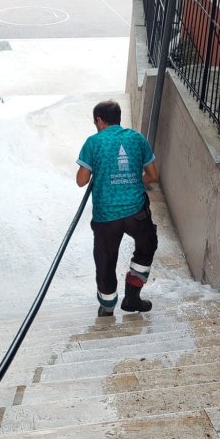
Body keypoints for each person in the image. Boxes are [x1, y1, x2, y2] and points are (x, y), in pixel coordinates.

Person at [76, 100, 159, 317]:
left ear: (99, 121)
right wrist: (132, 180)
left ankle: (107, 307)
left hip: (106, 217)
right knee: (146, 247)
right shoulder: (137, 139)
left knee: (106, 260)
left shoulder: (93, 142)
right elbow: (153, 176)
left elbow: (81, 181)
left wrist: (100, 171)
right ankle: (132, 298)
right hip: (136, 212)